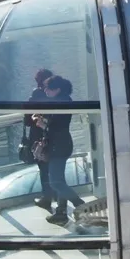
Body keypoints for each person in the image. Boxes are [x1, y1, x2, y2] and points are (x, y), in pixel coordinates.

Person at [38, 75, 85, 226]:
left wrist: (42, 124)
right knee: (59, 180)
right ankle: (61, 212)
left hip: (58, 145)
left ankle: (81, 205)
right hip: (62, 144)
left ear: (57, 89)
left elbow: (57, 127)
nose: (45, 91)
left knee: (55, 182)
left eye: (48, 88)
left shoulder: (61, 103)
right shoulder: (64, 100)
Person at [25, 68, 54, 211]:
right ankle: (57, 197)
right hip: (54, 135)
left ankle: (47, 198)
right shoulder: (57, 95)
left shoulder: (36, 94)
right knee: (54, 168)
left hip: (39, 137)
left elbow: (27, 120)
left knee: (43, 168)